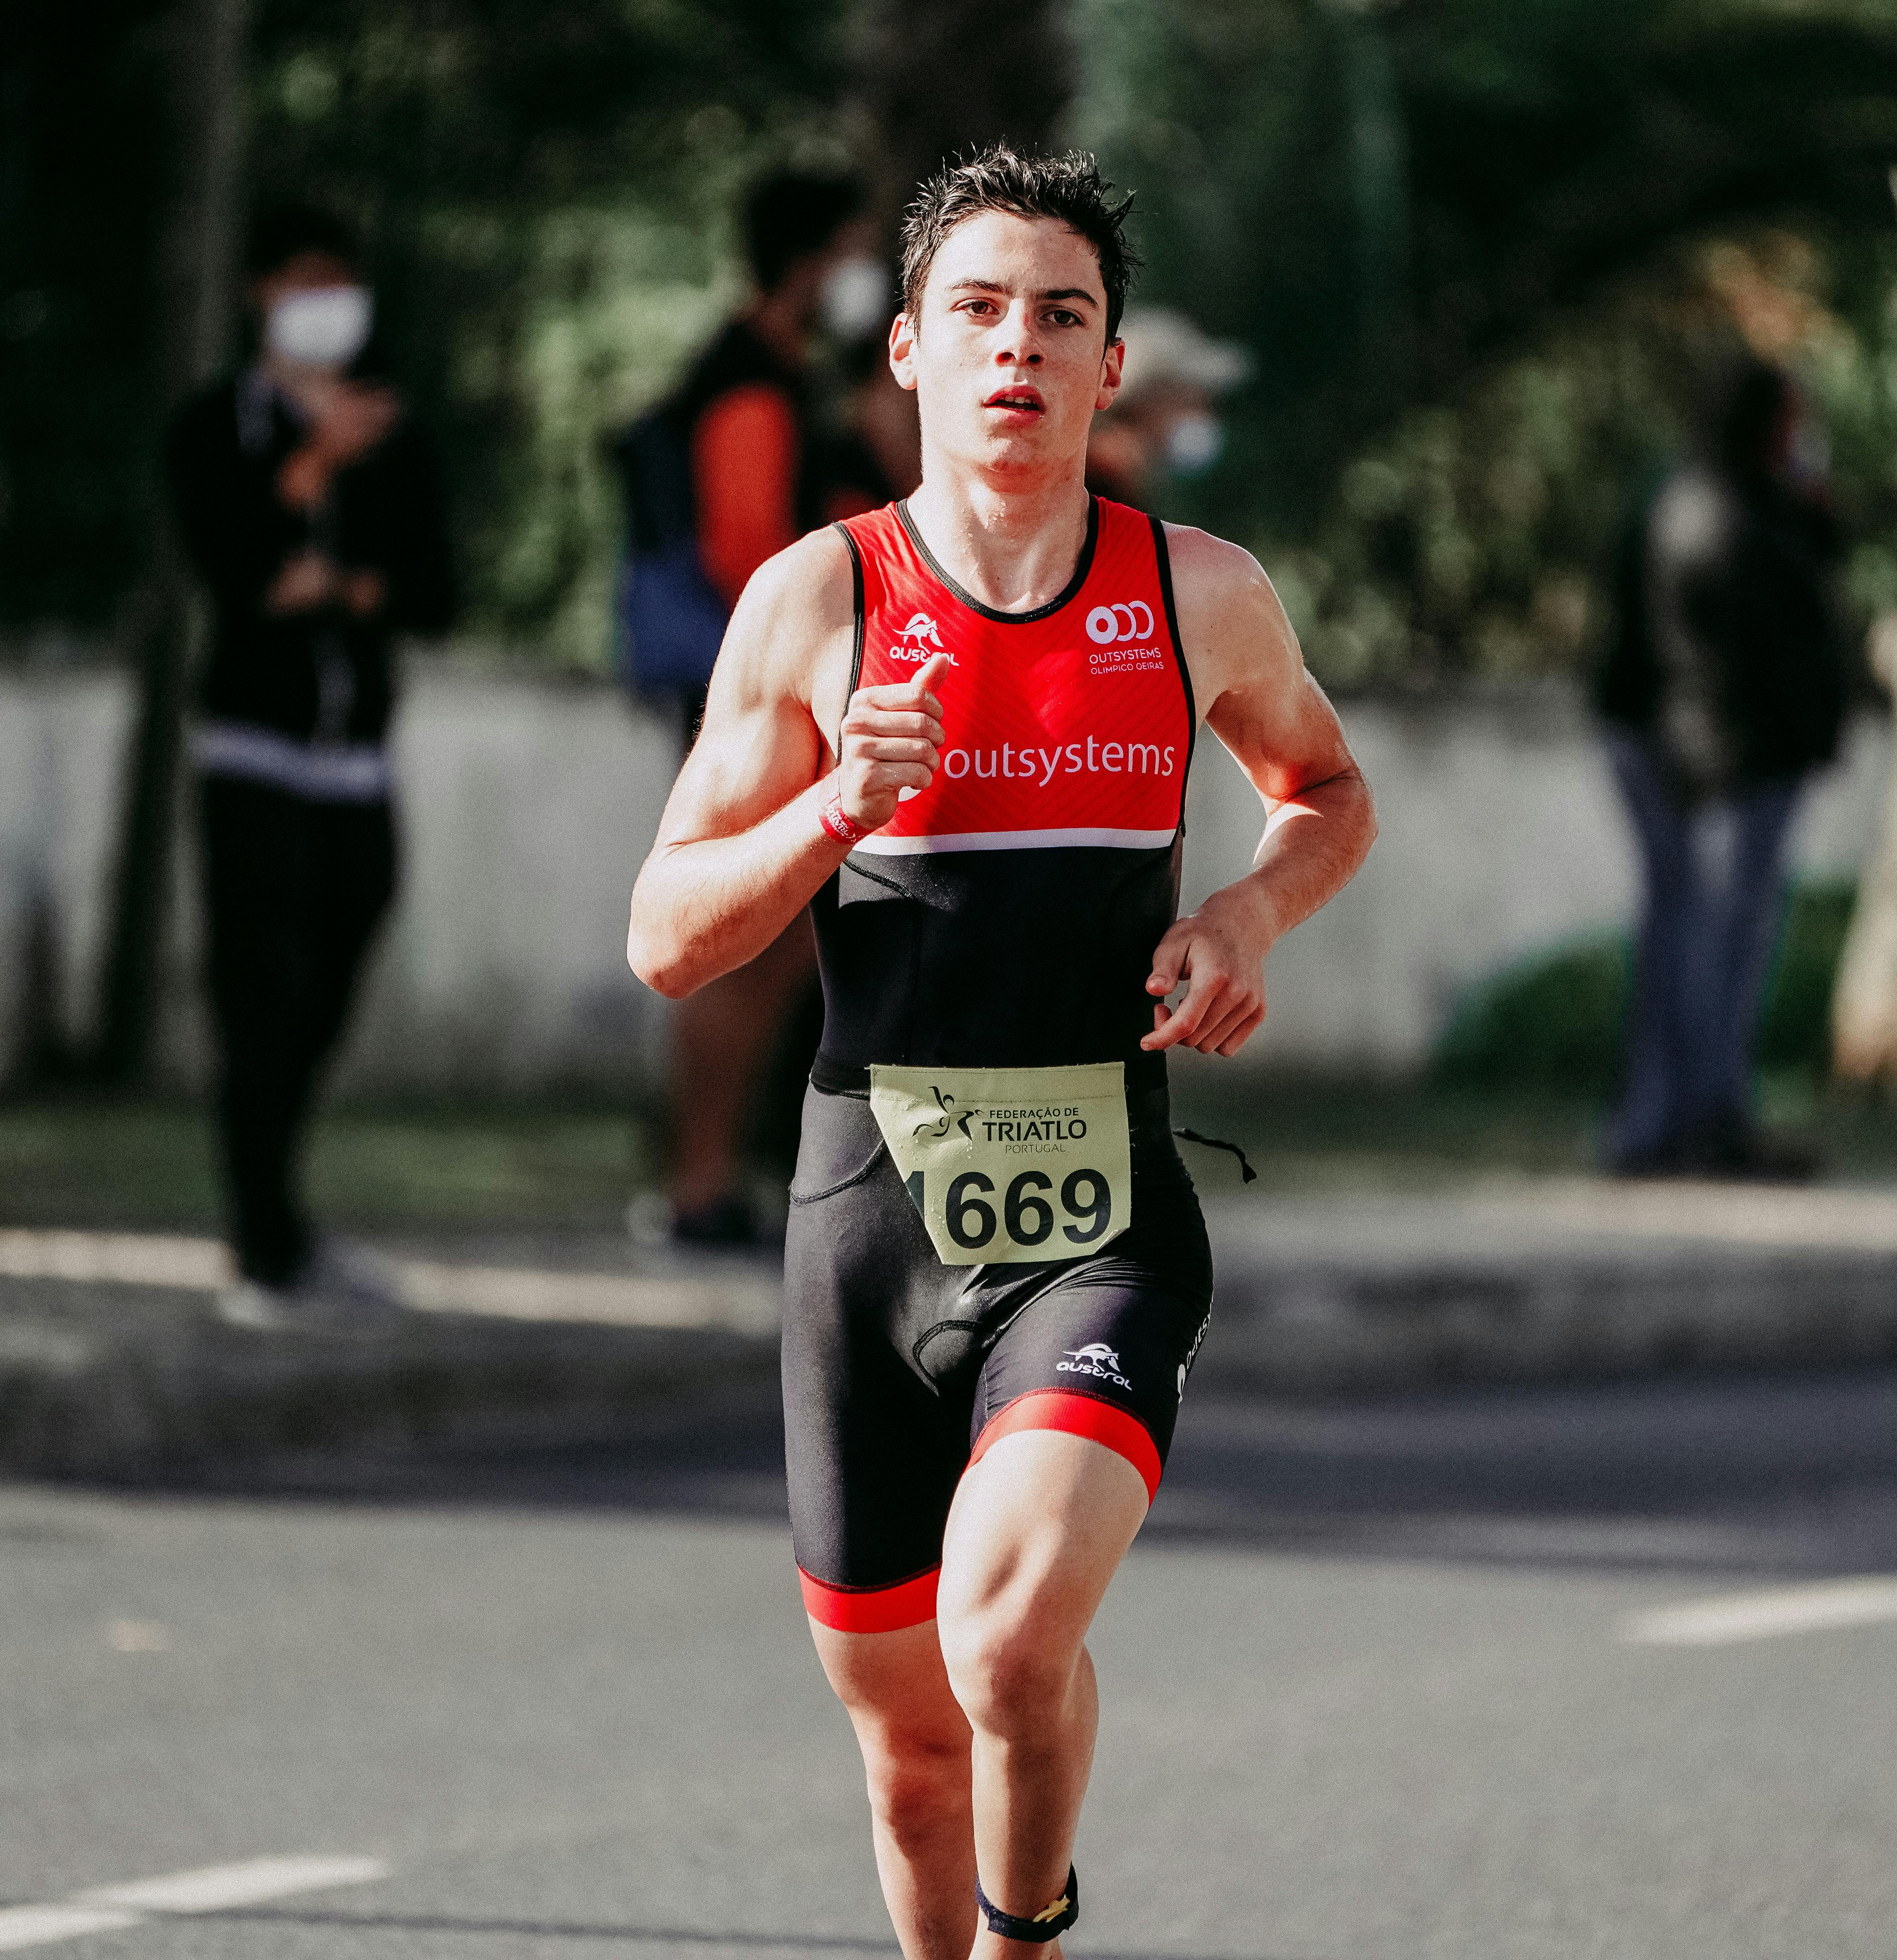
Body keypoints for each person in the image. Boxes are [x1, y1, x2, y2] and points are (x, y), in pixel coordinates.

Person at [626, 147, 1373, 1954]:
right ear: (902, 352)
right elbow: (665, 937)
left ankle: (1029, 1930)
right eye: (975, 311)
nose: (1016, 348)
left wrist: (1249, 917)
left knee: (1007, 1631)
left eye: (1061, 315)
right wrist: (829, 808)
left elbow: (1327, 791)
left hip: (1099, 1206)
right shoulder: (819, 603)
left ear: (1110, 365)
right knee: (902, 1743)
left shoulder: (1197, 591)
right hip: (859, 1211)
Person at [164, 202, 452, 1323]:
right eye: (305, 279)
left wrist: (338, 580)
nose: (329, 301)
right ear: (260, 292)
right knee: (258, 988)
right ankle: (262, 1237)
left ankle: (284, 1210)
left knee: (331, 972)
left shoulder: (398, 432)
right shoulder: (212, 427)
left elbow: (430, 587)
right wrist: (305, 473)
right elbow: (230, 565)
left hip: (354, 760)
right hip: (251, 746)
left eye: (344, 277)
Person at [618, 170, 893, 1244]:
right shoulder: (749, 386)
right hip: (757, 701)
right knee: (746, 937)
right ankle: (693, 1182)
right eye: (855, 251)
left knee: (782, 945)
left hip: (781, 696)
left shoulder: (790, 379)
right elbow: (752, 557)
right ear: (811, 261)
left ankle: (724, 1172)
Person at [1590, 357, 1847, 1177]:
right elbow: (1707, 665)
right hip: (1727, 763)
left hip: (1732, 757)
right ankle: (1693, 1121)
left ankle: (1678, 1120)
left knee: (1703, 937)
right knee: (1707, 943)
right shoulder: (1708, 512)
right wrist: (1712, 765)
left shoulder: (1736, 501)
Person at [1081, 306, 1246, 511]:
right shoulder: (1102, 478)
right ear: (1147, 400)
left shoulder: (1125, 477)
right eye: (1196, 396)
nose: (1206, 413)